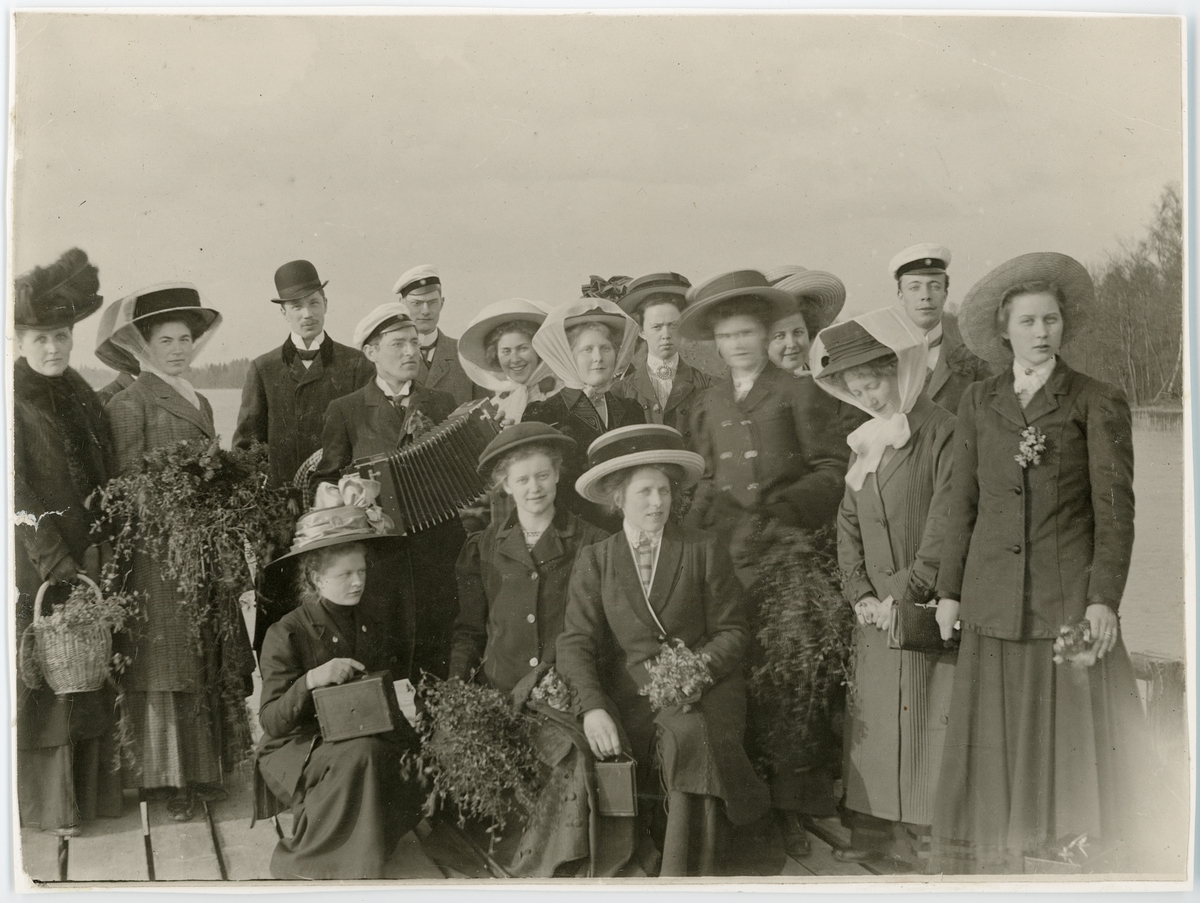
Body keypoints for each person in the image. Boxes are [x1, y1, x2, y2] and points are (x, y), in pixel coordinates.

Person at [930, 253, 1142, 874]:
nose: (1041, 332)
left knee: (1070, 740)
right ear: (1005, 329)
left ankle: (1067, 854)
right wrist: (949, 592)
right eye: (1027, 321)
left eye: (1050, 319)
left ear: (1063, 325)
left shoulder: (1097, 400)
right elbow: (961, 504)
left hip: (1066, 600)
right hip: (992, 598)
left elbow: (1115, 512)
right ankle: (998, 855)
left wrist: (1103, 599)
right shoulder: (978, 400)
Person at [679, 270, 852, 858]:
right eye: (727, 337)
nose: (738, 345)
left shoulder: (799, 392)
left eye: (747, 333)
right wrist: (691, 540)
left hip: (785, 553)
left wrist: (784, 510)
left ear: (765, 334)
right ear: (716, 343)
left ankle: (793, 807)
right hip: (726, 560)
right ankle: (746, 807)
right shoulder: (707, 402)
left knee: (791, 676)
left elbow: (832, 468)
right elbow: (705, 479)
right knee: (735, 677)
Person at [558, 425, 770, 876]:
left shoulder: (701, 548)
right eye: (645, 492)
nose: (657, 502)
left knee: (688, 736)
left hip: (704, 689)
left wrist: (696, 670)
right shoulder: (597, 559)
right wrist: (592, 707)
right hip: (631, 695)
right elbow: (576, 642)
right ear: (618, 497)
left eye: (664, 491)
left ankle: (685, 871)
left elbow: (732, 630)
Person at [811, 308, 957, 869]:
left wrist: (907, 592)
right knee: (874, 723)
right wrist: (860, 594)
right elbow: (847, 522)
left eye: (873, 381)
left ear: (898, 368)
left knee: (923, 719)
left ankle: (924, 837)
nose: (867, 396)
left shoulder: (943, 431)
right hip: (874, 611)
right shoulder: (866, 440)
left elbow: (947, 522)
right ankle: (873, 834)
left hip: (919, 605)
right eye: (856, 388)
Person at [101, 283, 252, 820]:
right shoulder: (129, 403)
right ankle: (169, 781)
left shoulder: (200, 399)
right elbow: (125, 486)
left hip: (202, 552)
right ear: (144, 345)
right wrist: (182, 503)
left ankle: (206, 771)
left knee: (205, 654)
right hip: (159, 558)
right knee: (168, 665)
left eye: (185, 339)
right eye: (165, 340)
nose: (178, 349)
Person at [256, 476, 423, 879]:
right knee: (363, 754)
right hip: (300, 744)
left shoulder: (369, 620)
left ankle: (369, 843)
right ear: (316, 579)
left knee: (407, 752)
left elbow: (380, 693)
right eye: (345, 575)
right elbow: (272, 721)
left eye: (361, 571)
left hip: (359, 730)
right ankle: (328, 862)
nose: (358, 582)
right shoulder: (287, 632)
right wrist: (312, 679)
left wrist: (414, 739)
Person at [13, 248, 122, 835]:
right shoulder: (12, 398)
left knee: (88, 666)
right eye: (40, 339)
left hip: (88, 558)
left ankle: (92, 795)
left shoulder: (81, 392)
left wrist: (101, 545)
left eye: (61, 337)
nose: (53, 349)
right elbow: (16, 493)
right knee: (46, 673)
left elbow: (103, 476)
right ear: (19, 342)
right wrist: (54, 559)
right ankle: (51, 806)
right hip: (37, 560)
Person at [310, 303, 462, 681]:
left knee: (439, 657)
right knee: (384, 659)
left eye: (414, 343)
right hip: (380, 561)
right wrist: (347, 496)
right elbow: (324, 481)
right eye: (398, 344)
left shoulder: (442, 403)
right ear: (371, 352)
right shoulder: (346, 410)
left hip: (437, 554)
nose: (411, 352)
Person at [450, 422, 606, 693]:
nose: (535, 488)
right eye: (522, 480)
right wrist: (455, 691)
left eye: (542, 475)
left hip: (568, 693)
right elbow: (470, 632)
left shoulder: (593, 542)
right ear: (506, 485)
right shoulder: (483, 547)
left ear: (556, 474)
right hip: (501, 694)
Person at [232, 259, 374, 491]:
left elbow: (370, 438)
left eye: (314, 303)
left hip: (341, 497)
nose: (308, 314)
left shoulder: (357, 363)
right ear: (284, 313)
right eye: (297, 306)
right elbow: (247, 448)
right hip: (281, 501)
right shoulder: (263, 368)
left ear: (326, 304)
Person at [523, 298, 645, 532]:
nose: (598, 357)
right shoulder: (543, 414)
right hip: (571, 535)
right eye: (587, 350)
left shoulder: (631, 409)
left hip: (628, 530)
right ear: (569, 357)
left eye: (605, 348)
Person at [888, 243, 991, 414]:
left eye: (935, 286)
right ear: (901, 297)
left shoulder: (974, 358)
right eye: (914, 287)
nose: (925, 296)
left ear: (945, 295)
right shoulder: (880, 356)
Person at [611, 272, 713, 441]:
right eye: (657, 327)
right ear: (641, 331)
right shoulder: (620, 391)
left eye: (673, 325)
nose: (666, 335)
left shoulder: (708, 384)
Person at [457, 297, 560, 425]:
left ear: (538, 350)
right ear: (495, 355)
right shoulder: (496, 407)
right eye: (506, 351)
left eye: (522, 348)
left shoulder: (562, 391)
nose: (515, 359)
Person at [393, 264, 479, 406]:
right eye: (417, 303)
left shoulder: (466, 354)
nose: (426, 311)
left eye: (432, 302)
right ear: (402, 304)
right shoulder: (386, 355)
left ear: (442, 303)